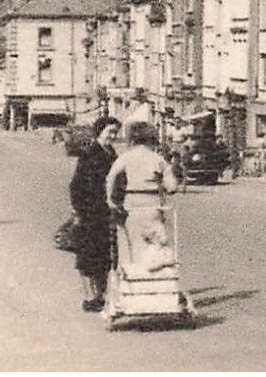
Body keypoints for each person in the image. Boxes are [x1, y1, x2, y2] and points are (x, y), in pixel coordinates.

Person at [106, 123, 182, 276]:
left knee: (133, 246)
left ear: (132, 139)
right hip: (153, 205)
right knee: (155, 244)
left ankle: (134, 281)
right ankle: (154, 282)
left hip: (131, 205)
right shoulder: (158, 159)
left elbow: (111, 177)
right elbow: (172, 187)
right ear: (152, 140)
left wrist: (110, 199)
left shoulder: (125, 157)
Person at [69, 116, 121, 312]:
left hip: (105, 211)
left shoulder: (110, 152)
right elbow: (76, 185)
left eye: (115, 133)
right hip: (90, 211)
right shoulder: (90, 153)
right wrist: (78, 210)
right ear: (99, 132)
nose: (113, 136)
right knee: (88, 255)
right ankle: (90, 296)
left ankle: (101, 295)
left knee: (104, 255)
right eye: (110, 132)